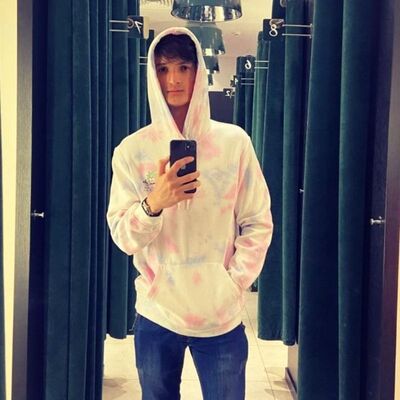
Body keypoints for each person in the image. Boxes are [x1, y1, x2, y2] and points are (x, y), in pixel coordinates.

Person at [107, 27, 273, 400]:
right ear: (152, 74)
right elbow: (122, 236)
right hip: (157, 312)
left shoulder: (234, 143)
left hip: (220, 316)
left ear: (199, 70)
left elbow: (257, 220)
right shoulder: (132, 151)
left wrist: (234, 283)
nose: (174, 79)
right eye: (163, 68)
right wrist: (154, 203)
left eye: (184, 67)